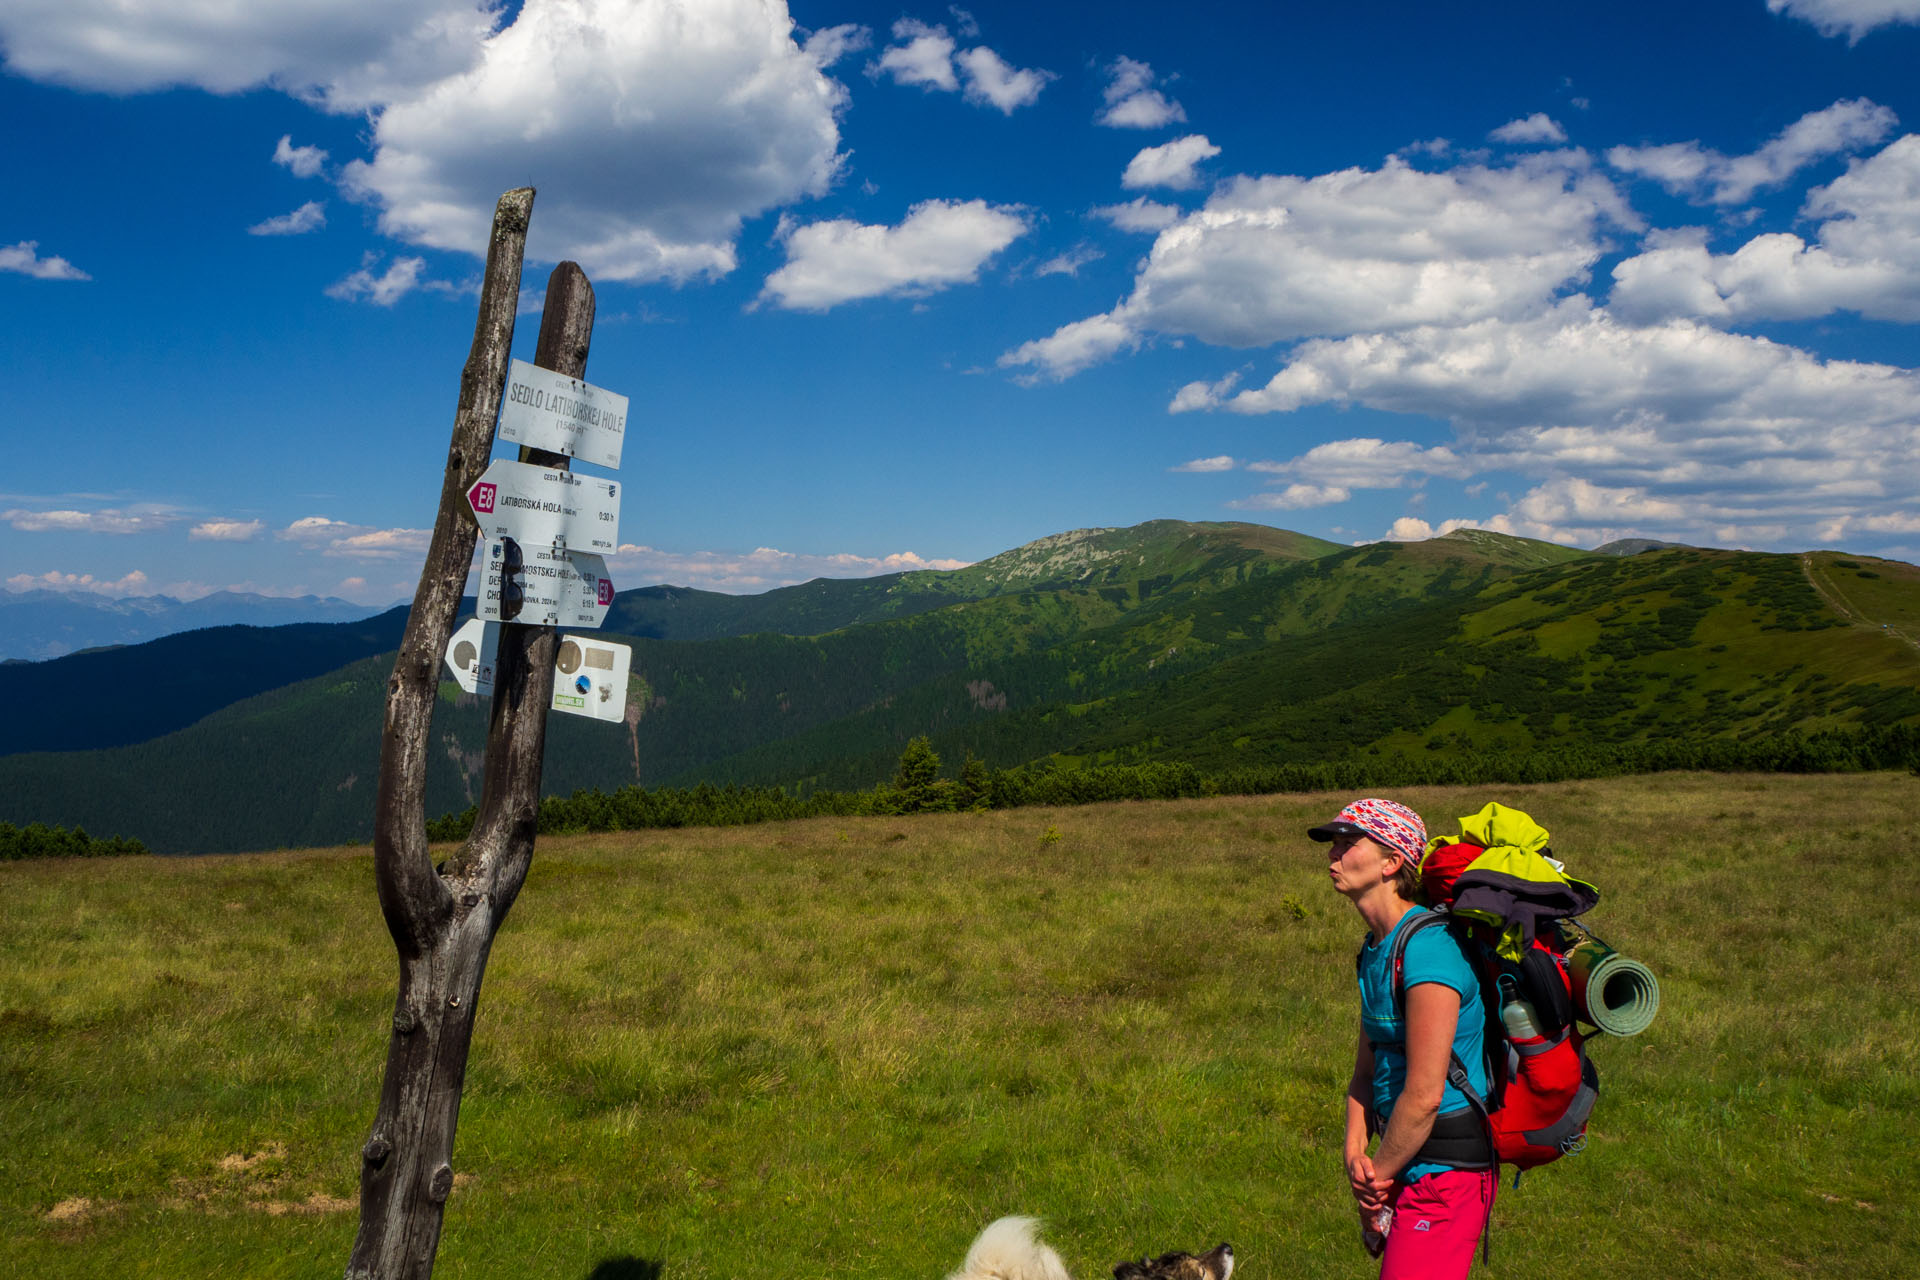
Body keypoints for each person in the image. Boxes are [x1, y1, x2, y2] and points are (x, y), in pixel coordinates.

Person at [1310, 797, 1494, 1279]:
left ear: (1393, 862)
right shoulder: (1375, 948)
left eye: (1349, 844)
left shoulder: (1430, 949)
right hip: (1400, 1154)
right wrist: (1355, 1158)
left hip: (1446, 1168)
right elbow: (1364, 1072)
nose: (1333, 854)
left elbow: (1426, 1093)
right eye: (1334, 844)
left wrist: (1377, 1177)